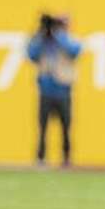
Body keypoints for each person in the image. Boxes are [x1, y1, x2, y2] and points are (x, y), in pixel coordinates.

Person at [26, 14, 82, 167]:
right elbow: (30, 54)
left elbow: (75, 50)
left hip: (63, 90)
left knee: (65, 127)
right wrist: (40, 34)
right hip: (45, 90)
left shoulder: (67, 40)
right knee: (43, 127)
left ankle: (66, 158)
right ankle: (41, 158)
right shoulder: (43, 41)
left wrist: (58, 35)